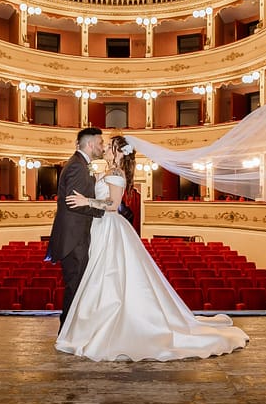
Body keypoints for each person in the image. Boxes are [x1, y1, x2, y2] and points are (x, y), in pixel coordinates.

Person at [56, 135, 249, 361]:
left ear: (119, 152)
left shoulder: (116, 174)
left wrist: (86, 202)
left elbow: (112, 205)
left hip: (110, 227)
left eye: (110, 147)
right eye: (105, 146)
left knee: (110, 276)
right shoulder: (110, 172)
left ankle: (113, 327)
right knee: (99, 278)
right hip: (100, 228)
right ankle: (95, 326)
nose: (105, 149)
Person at [45, 126, 107, 332]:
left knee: (77, 285)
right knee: (75, 286)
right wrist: (103, 210)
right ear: (89, 144)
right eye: (100, 143)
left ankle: (71, 331)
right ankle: (68, 332)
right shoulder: (78, 167)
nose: (102, 146)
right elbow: (74, 202)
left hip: (76, 236)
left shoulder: (80, 164)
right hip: (74, 238)